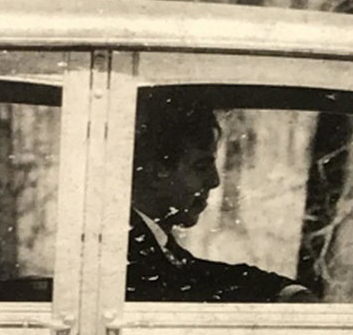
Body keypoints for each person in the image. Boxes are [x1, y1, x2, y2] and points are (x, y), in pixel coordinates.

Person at [127, 93, 312, 302]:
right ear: (155, 172)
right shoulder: (127, 251)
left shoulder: (152, 240)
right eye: (201, 167)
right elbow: (185, 287)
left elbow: (198, 274)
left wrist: (285, 291)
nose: (214, 181)